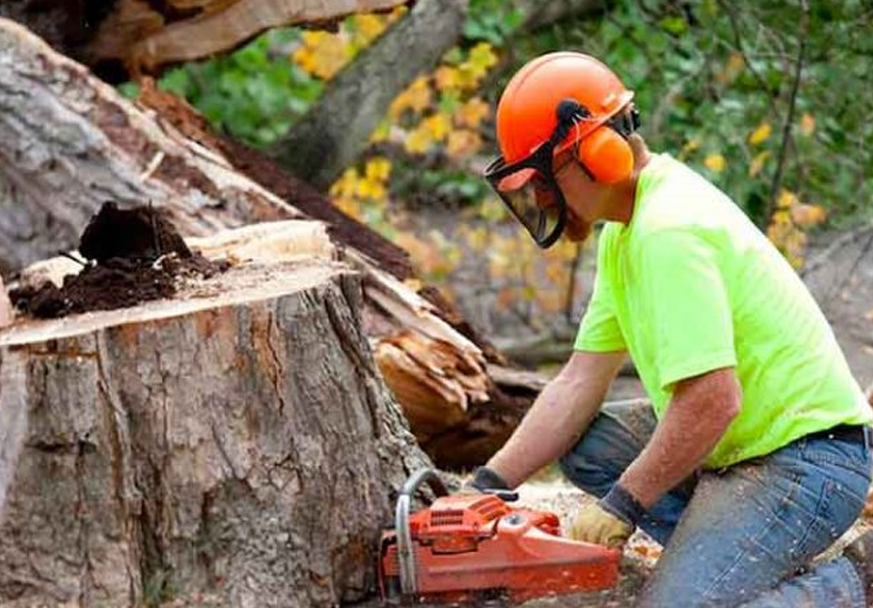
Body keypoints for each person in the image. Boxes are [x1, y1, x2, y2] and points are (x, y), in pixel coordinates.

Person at [472, 51, 873, 608]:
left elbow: (712, 400)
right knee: (588, 445)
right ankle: (736, 555)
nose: (540, 198)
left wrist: (624, 504)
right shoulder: (626, 226)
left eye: (544, 180)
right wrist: (485, 486)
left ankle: (852, 583)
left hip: (808, 461)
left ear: (597, 154)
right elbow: (577, 382)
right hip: (741, 448)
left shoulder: (669, 231)